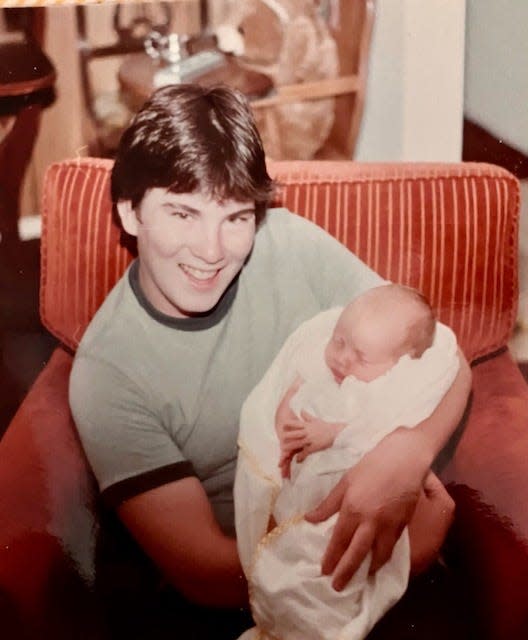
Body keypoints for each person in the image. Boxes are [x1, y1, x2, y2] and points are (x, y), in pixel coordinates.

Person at [69, 84, 472, 639]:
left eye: (235, 217)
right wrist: (399, 555)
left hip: (376, 516)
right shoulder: (106, 374)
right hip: (264, 589)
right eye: (182, 213)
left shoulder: (288, 244)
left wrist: (411, 450)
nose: (211, 250)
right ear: (130, 213)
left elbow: (443, 356)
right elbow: (205, 572)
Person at [234, 284, 460, 640]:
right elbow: (293, 390)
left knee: (333, 580)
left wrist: (334, 434)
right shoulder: (325, 366)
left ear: (396, 365)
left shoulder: (382, 388)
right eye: (338, 341)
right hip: (300, 493)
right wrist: (285, 417)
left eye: (361, 356)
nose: (342, 359)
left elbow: (378, 427)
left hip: (352, 496)